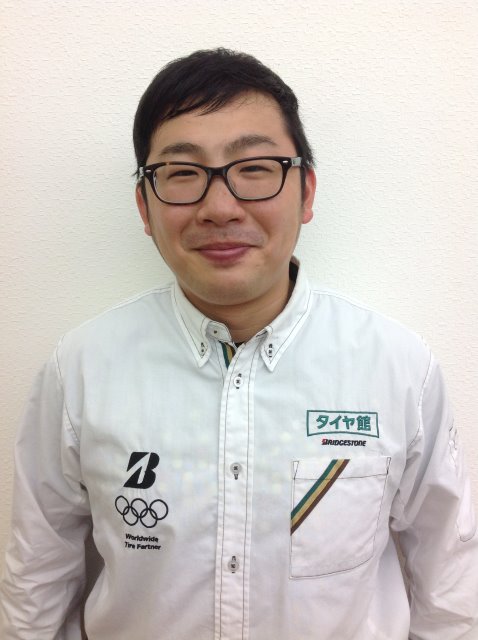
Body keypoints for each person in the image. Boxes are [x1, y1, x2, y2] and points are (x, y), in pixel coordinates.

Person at [1, 48, 477, 640]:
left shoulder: (398, 367)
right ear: (145, 206)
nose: (220, 207)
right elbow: (37, 578)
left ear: (305, 192)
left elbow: (449, 579)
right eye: (182, 173)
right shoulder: (79, 369)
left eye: (254, 168)